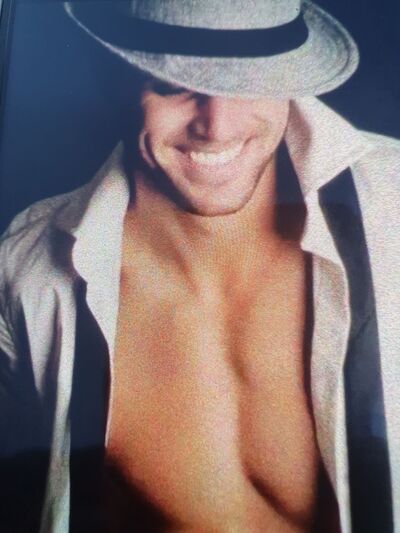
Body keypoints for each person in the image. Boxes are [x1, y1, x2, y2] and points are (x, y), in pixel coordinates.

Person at [0, 0, 398, 532]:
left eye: (251, 80)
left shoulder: (393, 205)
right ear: (115, 78)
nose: (216, 125)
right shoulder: (28, 275)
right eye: (173, 85)